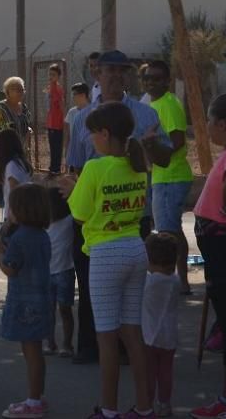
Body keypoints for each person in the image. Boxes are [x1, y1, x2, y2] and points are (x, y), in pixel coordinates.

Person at [66, 50, 173, 365]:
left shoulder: (144, 115)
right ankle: (89, 346)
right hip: (91, 218)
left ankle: (124, 350)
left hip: (130, 216)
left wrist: (152, 145)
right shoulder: (83, 117)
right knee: (87, 283)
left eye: (120, 71)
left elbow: (165, 158)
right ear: (96, 74)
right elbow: (75, 166)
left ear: (127, 76)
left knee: (130, 289)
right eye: (108, 70)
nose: (114, 76)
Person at [66, 102, 154, 418]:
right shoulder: (138, 164)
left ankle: (108, 409)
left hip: (105, 254)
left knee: (106, 338)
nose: (91, 140)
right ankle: (145, 407)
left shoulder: (95, 168)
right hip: (135, 247)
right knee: (133, 335)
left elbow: (79, 214)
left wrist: (73, 189)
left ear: (105, 133)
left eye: (92, 134)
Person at [189, 93, 226, 419]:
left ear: (223, 124)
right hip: (220, 253)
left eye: (209, 120)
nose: (206, 127)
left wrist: (225, 208)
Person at [0, 183, 53, 418]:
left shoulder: (21, 237)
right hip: (43, 298)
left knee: (31, 351)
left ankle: (33, 402)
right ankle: (37, 396)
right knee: (36, 351)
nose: (8, 212)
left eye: (11, 208)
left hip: (25, 302)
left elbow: (11, 269)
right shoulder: (41, 235)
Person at [143, 59, 194, 294]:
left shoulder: (169, 104)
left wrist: (153, 147)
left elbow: (177, 141)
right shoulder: (151, 104)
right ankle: (178, 280)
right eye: (148, 78)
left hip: (171, 177)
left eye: (156, 78)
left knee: (168, 232)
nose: (151, 82)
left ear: (167, 80)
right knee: (170, 229)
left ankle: (176, 280)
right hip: (161, 176)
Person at [142, 232, 180, 417]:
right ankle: (165, 403)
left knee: (149, 373)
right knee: (166, 371)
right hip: (169, 333)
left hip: (149, 334)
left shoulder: (149, 282)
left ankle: (147, 405)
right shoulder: (175, 280)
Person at [45, 187, 75, 358]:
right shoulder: (43, 223)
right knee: (51, 310)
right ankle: (51, 343)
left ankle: (66, 344)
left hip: (65, 270)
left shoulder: (68, 220)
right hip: (50, 272)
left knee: (64, 309)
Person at [0, 128, 32, 224]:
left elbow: (14, 195)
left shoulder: (12, 166)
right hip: (22, 215)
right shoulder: (20, 162)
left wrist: (9, 223)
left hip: (14, 218)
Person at [0, 76, 32, 152]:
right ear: (7, 91)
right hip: (4, 152)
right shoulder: (0, 108)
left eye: (21, 89)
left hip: (21, 151)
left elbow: (27, 127)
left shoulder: (24, 108)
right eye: (15, 89)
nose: (19, 92)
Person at [63, 83, 91, 170]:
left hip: (88, 155)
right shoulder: (71, 112)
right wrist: (67, 153)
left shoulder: (93, 112)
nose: (72, 97)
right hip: (75, 154)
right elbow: (67, 135)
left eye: (74, 94)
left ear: (83, 95)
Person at [45, 64, 65, 174]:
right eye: (50, 74)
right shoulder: (49, 88)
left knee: (57, 146)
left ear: (58, 76)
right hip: (50, 122)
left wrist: (63, 118)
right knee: (52, 146)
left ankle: (56, 168)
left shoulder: (57, 89)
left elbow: (61, 104)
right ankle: (53, 167)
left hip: (57, 123)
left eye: (53, 74)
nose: (51, 76)